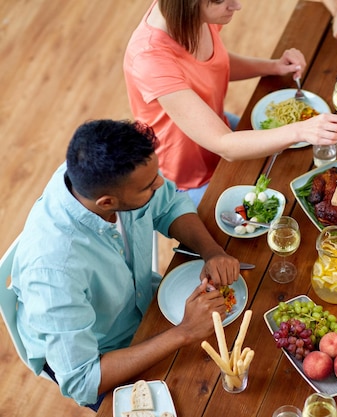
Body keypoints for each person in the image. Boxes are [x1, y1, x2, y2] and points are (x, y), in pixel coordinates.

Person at [11, 119, 241, 409]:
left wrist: (212, 252)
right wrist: (184, 332)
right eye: (149, 185)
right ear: (106, 203)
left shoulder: (103, 177)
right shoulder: (53, 270)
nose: (161, 184)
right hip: (106, 354)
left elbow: (170, 204)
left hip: (147, 306)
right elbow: (83, 381)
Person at [124, 0, 337, 206]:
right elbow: (224, 144)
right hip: (190, 174)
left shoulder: (192, 14)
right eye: (221, 1)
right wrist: (304, 129)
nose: (236, 5)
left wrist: (273, 66)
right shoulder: (150, 59)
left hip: (219, 126)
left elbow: (214, 62)